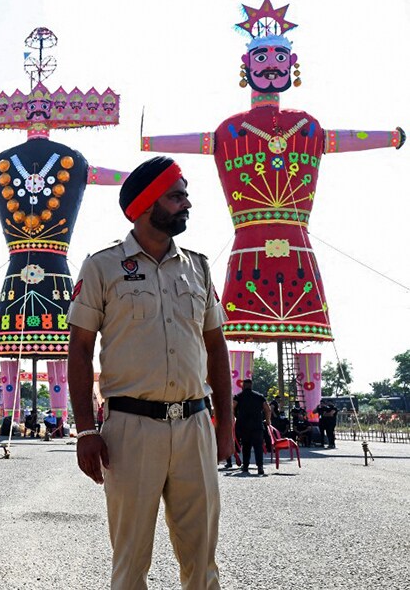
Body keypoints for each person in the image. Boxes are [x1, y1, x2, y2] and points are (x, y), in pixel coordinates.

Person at [67, 156, 233, 589]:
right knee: (130, 562)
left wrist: (226, 424)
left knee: (202, 561)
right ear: (146, 204)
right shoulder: (102, 266)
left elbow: (216, 346)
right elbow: (80, 350)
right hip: (130, 431)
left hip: (195, 425)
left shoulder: (199, 266)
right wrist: (85, 431)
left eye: (185, 195)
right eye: (176, 196)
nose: (187, 203)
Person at [233, 379, 271, 475]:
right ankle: (260, 467)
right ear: (251, 385)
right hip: (257, 425)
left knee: (246, 446)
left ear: (243, 386)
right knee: (258, 447)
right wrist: (268, 421)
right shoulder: (259, 396)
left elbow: (232, 407)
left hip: (243, 426)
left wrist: (234, 418)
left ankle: (245, 466)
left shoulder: (239, 396)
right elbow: (267, 409)